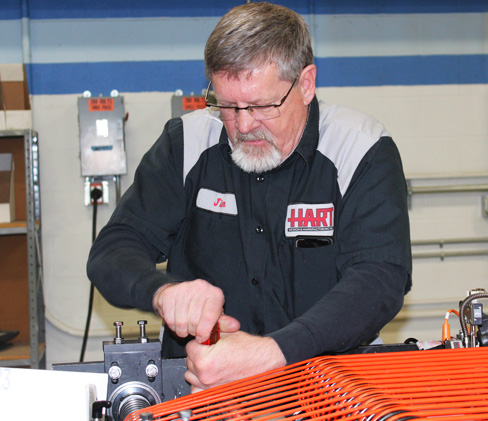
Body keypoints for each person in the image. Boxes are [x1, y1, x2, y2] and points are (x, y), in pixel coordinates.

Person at [87, 2, 412, 391]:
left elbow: (380, 278)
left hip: (333, 391)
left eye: (260, 106)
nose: (242, 125)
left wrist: (273, 354)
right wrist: (164, 293)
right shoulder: (186, 144)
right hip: (205, 394)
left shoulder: (360, 148)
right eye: (226, 104)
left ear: (306, 84)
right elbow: (113, 250)